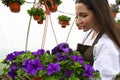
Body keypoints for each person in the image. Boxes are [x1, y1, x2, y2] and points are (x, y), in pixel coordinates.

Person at [75, 0, 120, 80]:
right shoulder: (90, 33)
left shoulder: (107, 44)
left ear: (98, 13)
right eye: (77, 16)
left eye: (83, 15)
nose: (78, 22)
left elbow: (103, 77)